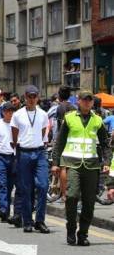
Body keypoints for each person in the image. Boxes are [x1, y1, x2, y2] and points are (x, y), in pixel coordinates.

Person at [51, 90, 112, 246]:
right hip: (72, 163)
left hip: (91, 166)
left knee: (89, 202)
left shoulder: (98, 120)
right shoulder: (69, 118)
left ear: (92, 102)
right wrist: (55, 163)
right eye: (84, 100)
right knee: (71, 196)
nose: (87, 102)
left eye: (89, 100)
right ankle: (71, 228)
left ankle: (83, 234)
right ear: (78, 101)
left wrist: (106, 161)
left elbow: (105, 144)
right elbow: (59, 142)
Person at [11, 85, 50, 233]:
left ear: (38, 97)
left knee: (43, 185)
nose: (32, 99)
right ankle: (27, 220)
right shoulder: (18, 115)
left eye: (34, 97)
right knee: (26, 189)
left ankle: (40, 221)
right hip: (24, 153)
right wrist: (17, 152)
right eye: (29, 97)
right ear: (25, 98)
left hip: (39, 153)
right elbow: (14, 135)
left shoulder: (43, 114)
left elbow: (43, 134)